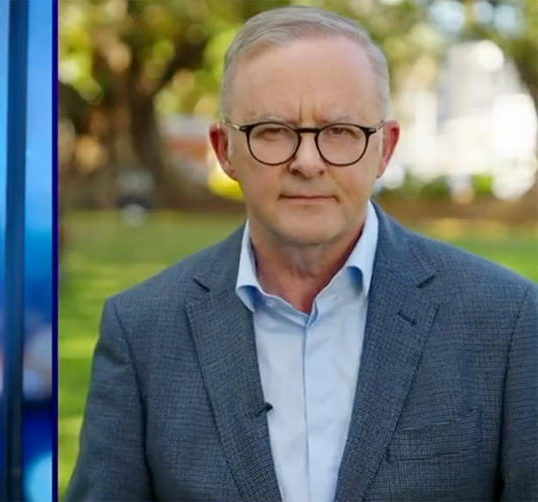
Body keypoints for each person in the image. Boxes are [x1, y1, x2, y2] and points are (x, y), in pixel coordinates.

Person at [67, 6, 536, 501]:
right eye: (272, 130)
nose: (307, 162)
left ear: (385, 148)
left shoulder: (506, 321)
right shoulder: (142, 329)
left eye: (340, 131)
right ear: (224, 149)